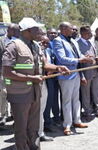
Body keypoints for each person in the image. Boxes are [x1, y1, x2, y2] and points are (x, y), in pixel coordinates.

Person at [2, 17, 69, 150]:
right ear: (27, 30)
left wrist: (58, 68)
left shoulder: (36, 46)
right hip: (19, 94)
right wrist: (31, 78)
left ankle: (34, 147)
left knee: (34, 126)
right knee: (21, 127)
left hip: (35, 92)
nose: (39, 31)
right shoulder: (13, 46)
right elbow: (7, 72)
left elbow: (45, 64)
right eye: (36, 29)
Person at [53, 22, 94, 135]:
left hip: (76, 74)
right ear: (64, 29)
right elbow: (61, 59)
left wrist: (85, 57)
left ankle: (77, 121)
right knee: (66, 101)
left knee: (76, 99)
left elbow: (78, 55)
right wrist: (79, 60)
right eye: (71, 29)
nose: (73, 31)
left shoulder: (73, 41)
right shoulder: (58, 41)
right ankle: (67, 125)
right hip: (66, 75)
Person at [77, 26, 98, 118]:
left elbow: (96, 53)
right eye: (88, 32)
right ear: (83, 33)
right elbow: (79, 57)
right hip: (86, 71)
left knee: (96, 91)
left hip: (96, 70)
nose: (91, 34)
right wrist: (85, 58)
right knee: (86, 93)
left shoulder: (91, 42)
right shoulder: (77, 43)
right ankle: (88, 111)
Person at [0, 23, 20, 126]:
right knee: (3, 93)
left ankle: (14, 114)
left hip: (16, 72)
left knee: (15, 92)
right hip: (3, 71)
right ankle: (3, 115)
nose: (18, 33)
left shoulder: (19, 41)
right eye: (16, 31)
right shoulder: (1, 41)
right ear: (9, 30)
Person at [43, 28, 61, 131]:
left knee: (53, 100)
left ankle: (54, 119)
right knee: (46, 102)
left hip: (53, 78)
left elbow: (54, 62)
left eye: (46, 43)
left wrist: (54, 70)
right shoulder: (39, 51)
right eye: (51, 33)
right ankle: (46, 123)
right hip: (44, 79)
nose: (45, 44)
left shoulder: (50, 50)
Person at [37, 35, 54, 142]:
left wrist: (57, 68)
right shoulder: (33, 49)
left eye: (46, 43)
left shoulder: (43, 51)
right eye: (42, 42)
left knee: (41, 109)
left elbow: (46, 65)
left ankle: (40, 133)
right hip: (32, 84)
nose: (44, 45)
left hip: (43, 83)